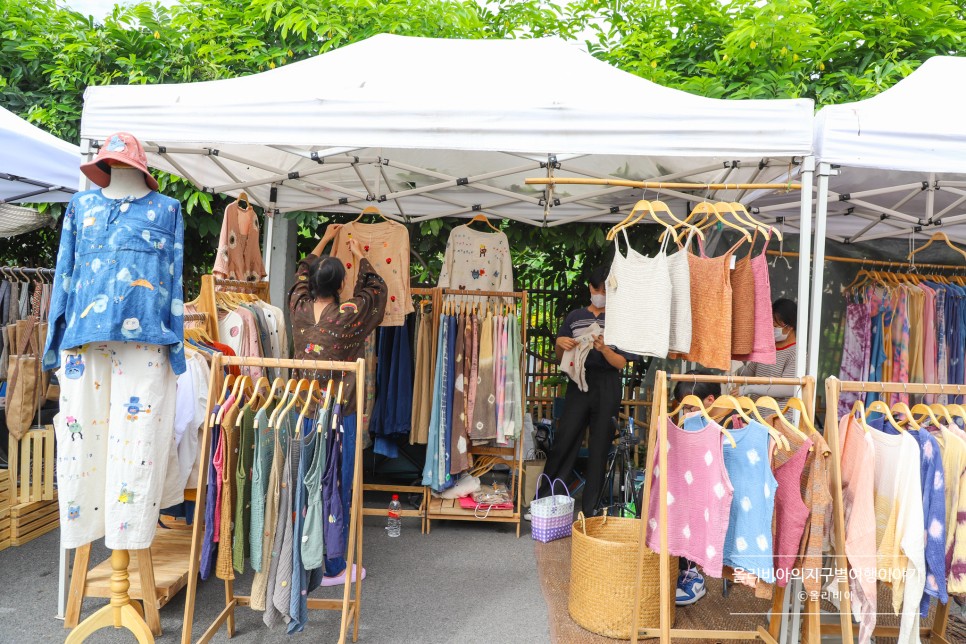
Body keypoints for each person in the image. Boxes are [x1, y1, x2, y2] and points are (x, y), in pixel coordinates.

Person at [288, 223, 388, 586]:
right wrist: (361, 256)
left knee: (302, 481)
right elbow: (376, 291)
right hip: (336, 412)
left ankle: (300, 556)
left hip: (300, 411)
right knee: (334, 484)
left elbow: (302, 272)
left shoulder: (298, 307)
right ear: (341, 286)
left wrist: (326, 239)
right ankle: (332, 566)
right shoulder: (347, 314)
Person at [533, 265, 636, 518]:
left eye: (604, 290)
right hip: (579, 383)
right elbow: (561, 358)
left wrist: (604, 350)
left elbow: (621, 363)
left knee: (601, 446)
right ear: (590, 288)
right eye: (597, 289)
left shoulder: (619, 320)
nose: (600, 293)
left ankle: (593, 508)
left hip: (607, 383)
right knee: (565, 439)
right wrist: (559, 343)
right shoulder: (575, 317)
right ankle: (546, 502)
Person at [669, 371, 721, 606]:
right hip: (691, 490)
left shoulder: (724, 427)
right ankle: (678, 568)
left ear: (710, 401)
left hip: (711, 497)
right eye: (684, 409)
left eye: (690, 408)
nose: (686, 414)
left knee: (687, 508)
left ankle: (692, 574)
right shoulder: (691, 425)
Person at [733, 298, 799, 406]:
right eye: (770, 325)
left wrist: (749, 389)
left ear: (790, 327)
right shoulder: (767, 349)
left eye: (775, 326)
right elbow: (747, 373)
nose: (772, 329)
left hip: (778, 418)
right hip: (756, 415)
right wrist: (732, 359)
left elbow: (785, 389)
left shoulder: (796, 354)